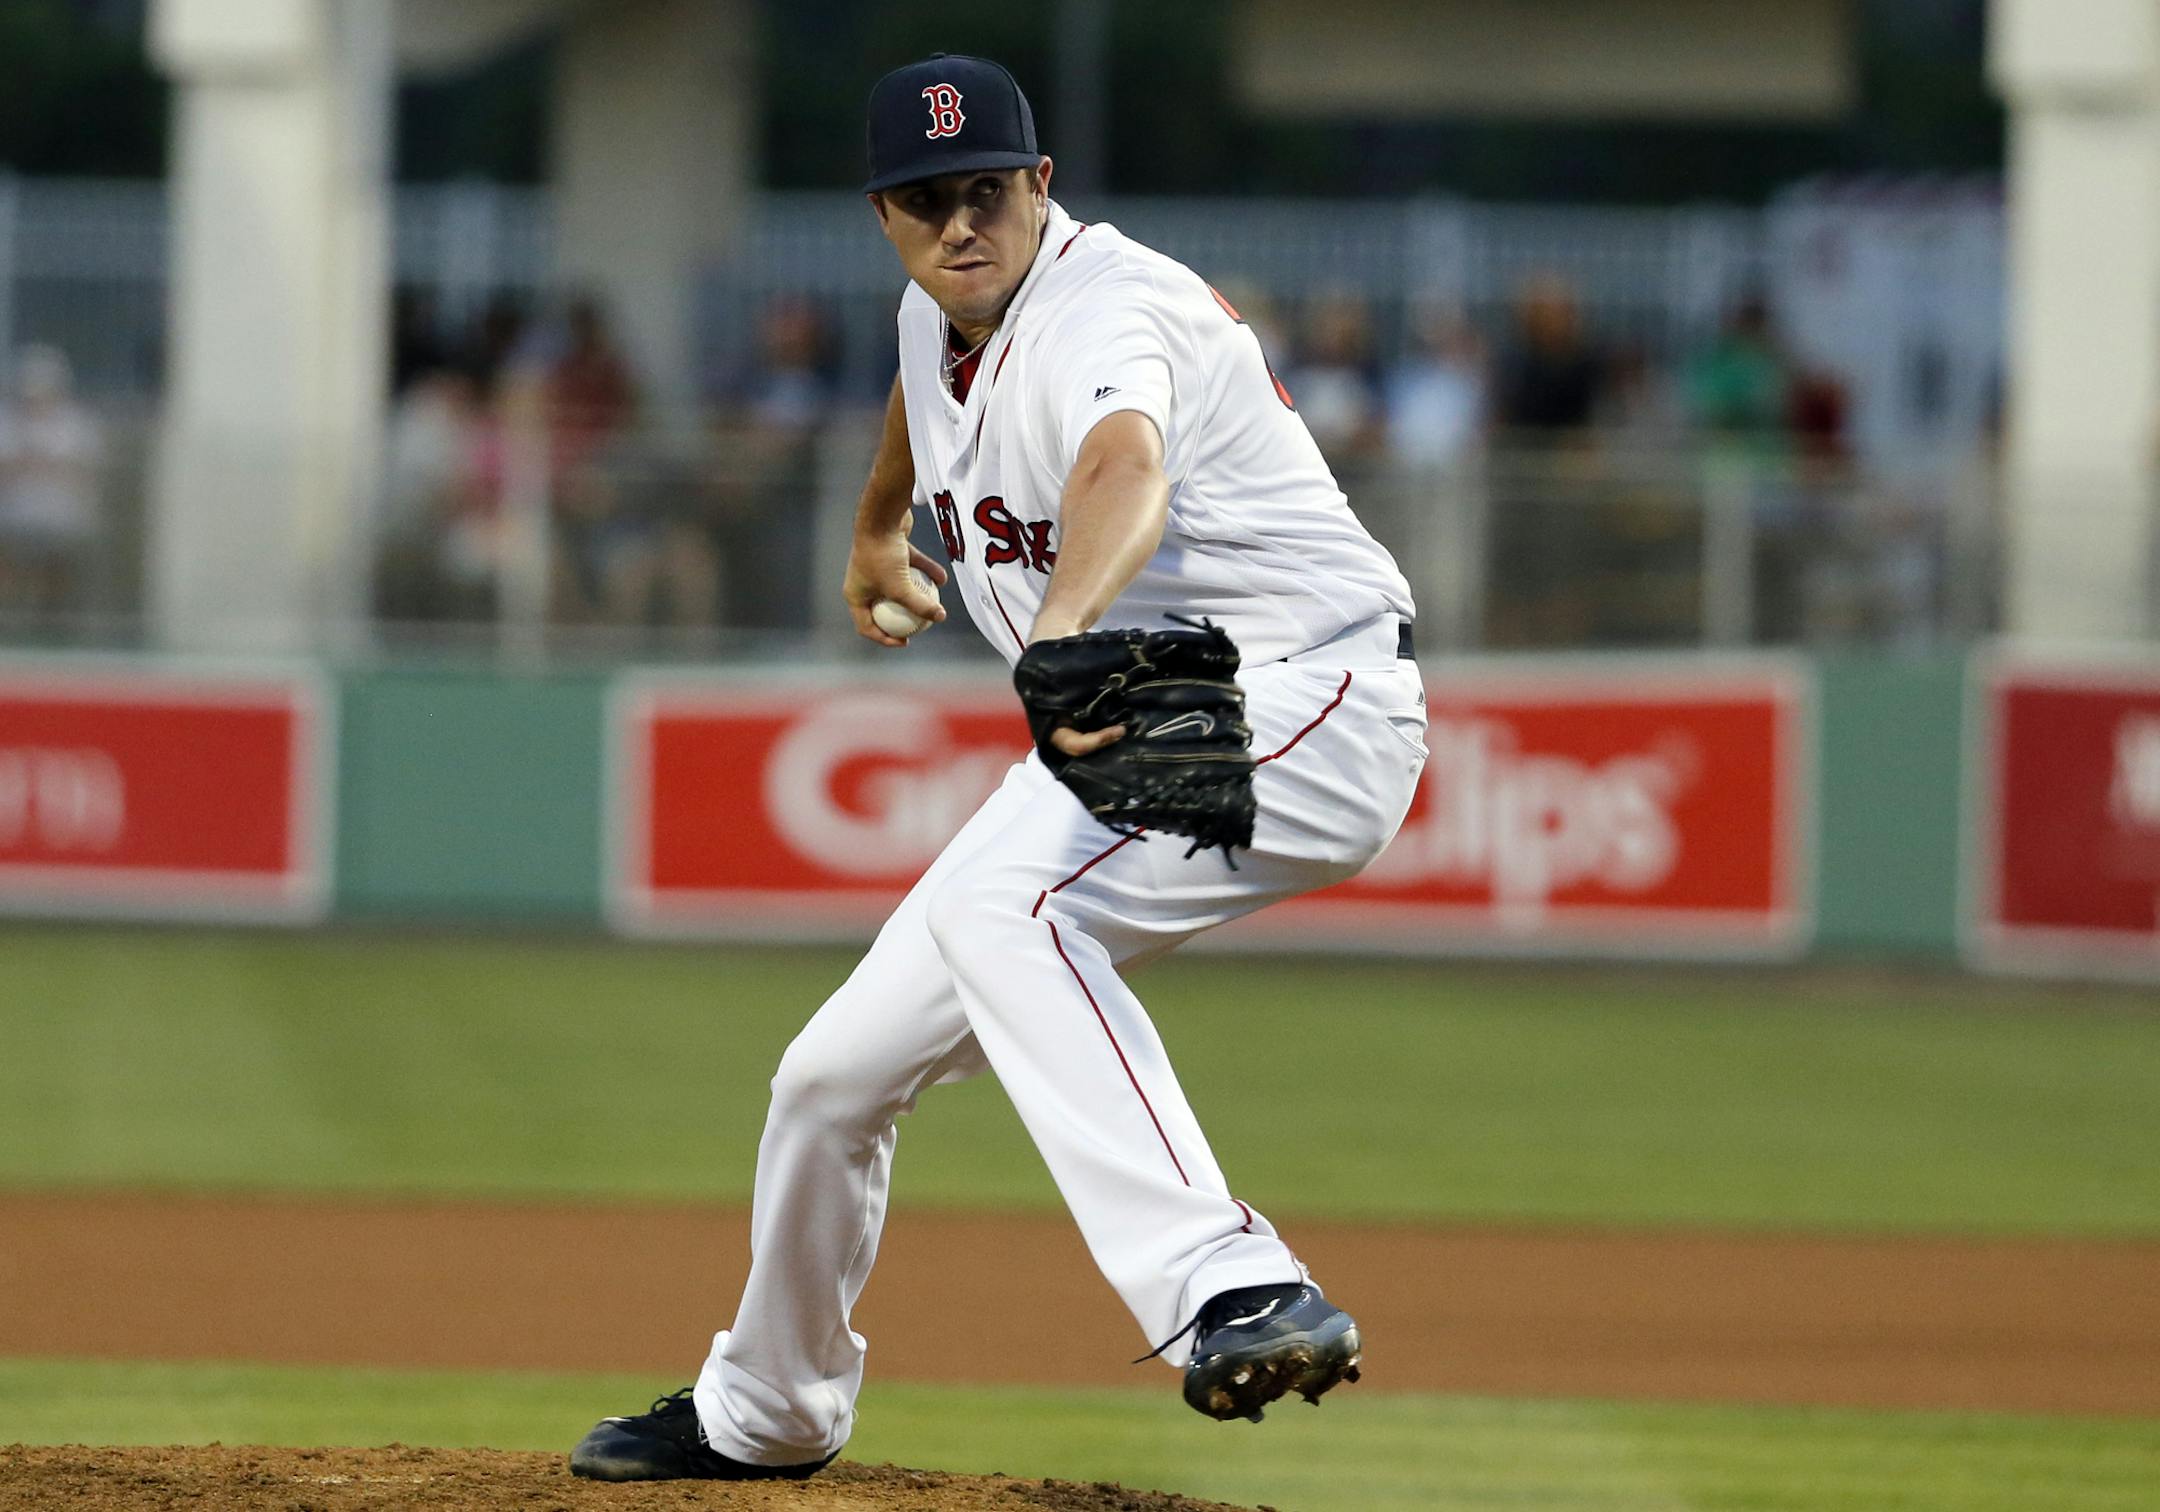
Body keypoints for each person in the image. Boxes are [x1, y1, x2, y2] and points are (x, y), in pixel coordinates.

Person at [570, 54, 1427, 1483]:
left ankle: (1229, 1283)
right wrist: (875, 525)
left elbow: (1122, 467)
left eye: (986, 192)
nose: (960, 226)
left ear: (1041, 186)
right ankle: (767, 1409)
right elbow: (927, 385)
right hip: (1144, 700)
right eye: (924, 203)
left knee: (1007, 912)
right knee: (831, 1078)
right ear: (885, 219)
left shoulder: (1112, 307)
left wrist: (1068, 629)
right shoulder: (935, 306)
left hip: (1306, 690)